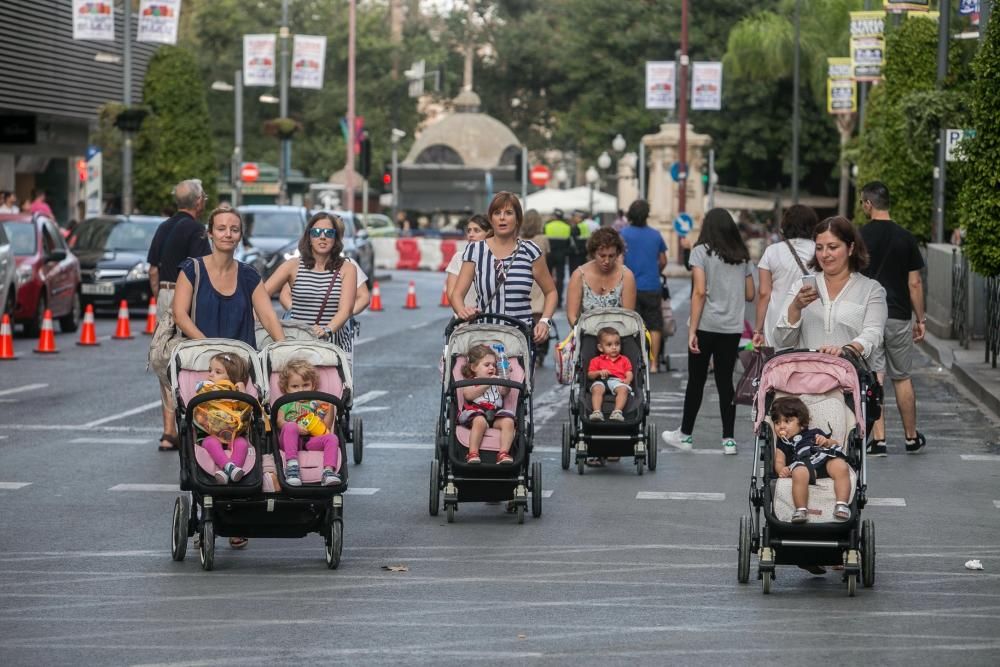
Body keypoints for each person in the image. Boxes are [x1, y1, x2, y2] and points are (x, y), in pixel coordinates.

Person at [662, 208, 754, 455]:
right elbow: (750, 294)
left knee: (697, 381)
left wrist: (692, 330)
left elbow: (699, 291)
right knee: (726, 382)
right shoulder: (742, 256)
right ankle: (729, 440)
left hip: (706, 325)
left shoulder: (700, 252)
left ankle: (685, 434)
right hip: (732, 327)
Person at [858, 181, 926, 456]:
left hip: (869, 317)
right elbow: (915, 283)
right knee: (902, 377)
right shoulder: (906, 237)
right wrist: (920, 319)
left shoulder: (859, 237)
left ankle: (880, 439)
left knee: (875, 378)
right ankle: (911, 437)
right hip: (898, 315)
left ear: (868, 204)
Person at [772, 215, 887, 371]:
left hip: (848, 383)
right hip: (805, 383)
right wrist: (795, 308)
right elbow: (782, 340)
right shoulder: (801, 286)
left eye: (832, 247)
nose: (825, 254)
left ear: (851, 248)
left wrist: (848, 350)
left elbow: (873, 333)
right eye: (819, 248)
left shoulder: (871, 289)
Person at [147, 179, 211, 452]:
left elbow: (152, 269)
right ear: (198, 202)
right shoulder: (197, 230)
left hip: (164, 293)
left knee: (165, 358)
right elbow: (202, 270)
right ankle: (199, 425)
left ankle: (168, 431)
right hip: (187, 297)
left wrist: (160, 297)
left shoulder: (163, 227)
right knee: (193, 357)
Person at [451, 191, 557, 345]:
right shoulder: (475, 250)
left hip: (519, 338)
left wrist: (544, 321)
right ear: (491, 219)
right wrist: (462, 310)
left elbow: (551, 291)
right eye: (497, 213)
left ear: (518, 219)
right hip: (483, 339)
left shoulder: (530, 251)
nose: (502, 217)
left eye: (508, 213)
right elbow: (457, 293)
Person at [173, 206, 285, 347]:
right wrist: (211, 349)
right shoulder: (191, 270)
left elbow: (268, 318)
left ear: (240, 236)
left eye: (234, 230)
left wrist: (286, 350)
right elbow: (179, 315)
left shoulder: (250, 275)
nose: (228, 234)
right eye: (221, 229)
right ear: (210, 233)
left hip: (241, 362)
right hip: (201, 359)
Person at [264, 212, 357, 353]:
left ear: (336, 239)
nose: (322, 237)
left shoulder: (347, 269)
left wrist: (327, 330)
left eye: (329, 233)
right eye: (316, 232)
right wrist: (270, 328)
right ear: (308, 237)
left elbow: (346, 310)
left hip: (332, 349)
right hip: (296, 347)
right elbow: (260, 296)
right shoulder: (292, 266)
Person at [770, 397, 853, 524]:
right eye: (777, 422)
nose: (781, 426)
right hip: (804, 467)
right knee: (799, 473)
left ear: (802, 423)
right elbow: (779, 461)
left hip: (824, 461)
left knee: (841, 466)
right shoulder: (783, 444)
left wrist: (826, 441)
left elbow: (835, 444)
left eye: (787, 421)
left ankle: (842, 504)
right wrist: (782, 470)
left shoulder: (815, 433)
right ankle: (801, 509)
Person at [752, 204, 818, 348]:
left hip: (777, 321)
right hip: (811, 320)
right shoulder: (820, 251)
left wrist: (758, 330)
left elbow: (764, 293)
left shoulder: (771, 251)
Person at [620, 200, 668, 372]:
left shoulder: (623, 234)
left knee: (631, 325)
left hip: (628, 287)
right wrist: (655, 270)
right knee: (654, 325)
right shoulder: (655, 235)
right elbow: (663, 260)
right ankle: (653, 364)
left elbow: (619, 261)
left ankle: (633, 362)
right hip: (651, 285)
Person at [276, 358, 340, 486]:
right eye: (295, 386)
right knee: (290, 426)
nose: (301, 390)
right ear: (286, 388)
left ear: (313, 385)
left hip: (311, 440)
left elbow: (325, 426)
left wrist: (330, 407)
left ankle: (328, 472)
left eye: (305, 385)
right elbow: (279, 421)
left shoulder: (315, 403)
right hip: (289, 440)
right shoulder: (286, 403)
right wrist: (295, 427)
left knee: (332, 438)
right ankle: (292, 468)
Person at [193, 352, 252, 484]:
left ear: (232, 377)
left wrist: (242, 392)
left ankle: (229, 471)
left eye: (217, 372)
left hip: (233, 434)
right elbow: (199, 409)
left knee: (242, 443)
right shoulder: (207, 389)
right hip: (210, 433)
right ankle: (228, 467)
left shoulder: (236, 393)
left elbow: (246, 409)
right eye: (210, 370)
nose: (210, 374)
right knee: (209, 442)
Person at [566, 227, 637, 326]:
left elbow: (628, 316)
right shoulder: (579, 275)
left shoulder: (626, 276)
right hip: (586, 334)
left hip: (618, 335)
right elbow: (572, 315)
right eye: (602, 256)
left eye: (611, 256)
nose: (607, 261)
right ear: (593, 253)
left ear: (617, 254)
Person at [458, 344, 515, 464]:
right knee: (479, 422)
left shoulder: (497, 380)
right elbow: (468, 395)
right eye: (486, 365)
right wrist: (487, 383)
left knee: (508, 422)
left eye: (494, 365)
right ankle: (473, 453)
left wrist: (505, 378)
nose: (491, 368)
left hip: (495, 414)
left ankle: (503, 453)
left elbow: (505, 392)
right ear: (474, 367)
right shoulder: (472, 381)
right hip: (476, 412)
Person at [520, 209, 552, 366]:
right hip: (539, 281)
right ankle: (540, 351)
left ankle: (527, 348)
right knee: (540, 318)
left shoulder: (518, 239)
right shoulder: (543, 239)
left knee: (523, 317)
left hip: (523, 279)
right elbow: (548, 261)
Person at [445, 214, 492, 310]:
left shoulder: (498, 258)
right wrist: (462, 312)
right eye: (469, 230)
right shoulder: (458, 258)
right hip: (464, 320)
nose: (471, 234)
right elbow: (451, 294)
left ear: (489, 233)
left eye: (477, 230)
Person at [587, 327, 633, 422]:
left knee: (623, 389)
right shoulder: (596, 360)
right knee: (596, 389)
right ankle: (597, 412)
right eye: (609, 344)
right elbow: (590, 375)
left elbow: (629, 372)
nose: (614, 347)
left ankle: (617, 412)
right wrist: (599, 372)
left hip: (617, 381)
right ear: (600, 347)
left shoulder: (624, 359)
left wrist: (628, 379)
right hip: (601, 380)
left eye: (617, 344)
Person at [543, 209, 571, 308]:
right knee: (560, 278)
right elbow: (569, 244)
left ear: (554, 216)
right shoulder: (567, 227)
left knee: (547, 277)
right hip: (561, 255)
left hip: (549, 255)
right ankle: (558, 301)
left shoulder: (547, 226)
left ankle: (548, 299)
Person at [567, 210, 590, 277]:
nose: (572, 218)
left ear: (578, 217)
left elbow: (572, 241)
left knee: (575, 273)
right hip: (584, 253)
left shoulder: (576, 228)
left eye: (573, 217)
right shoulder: (585, 226)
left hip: (576, 254)